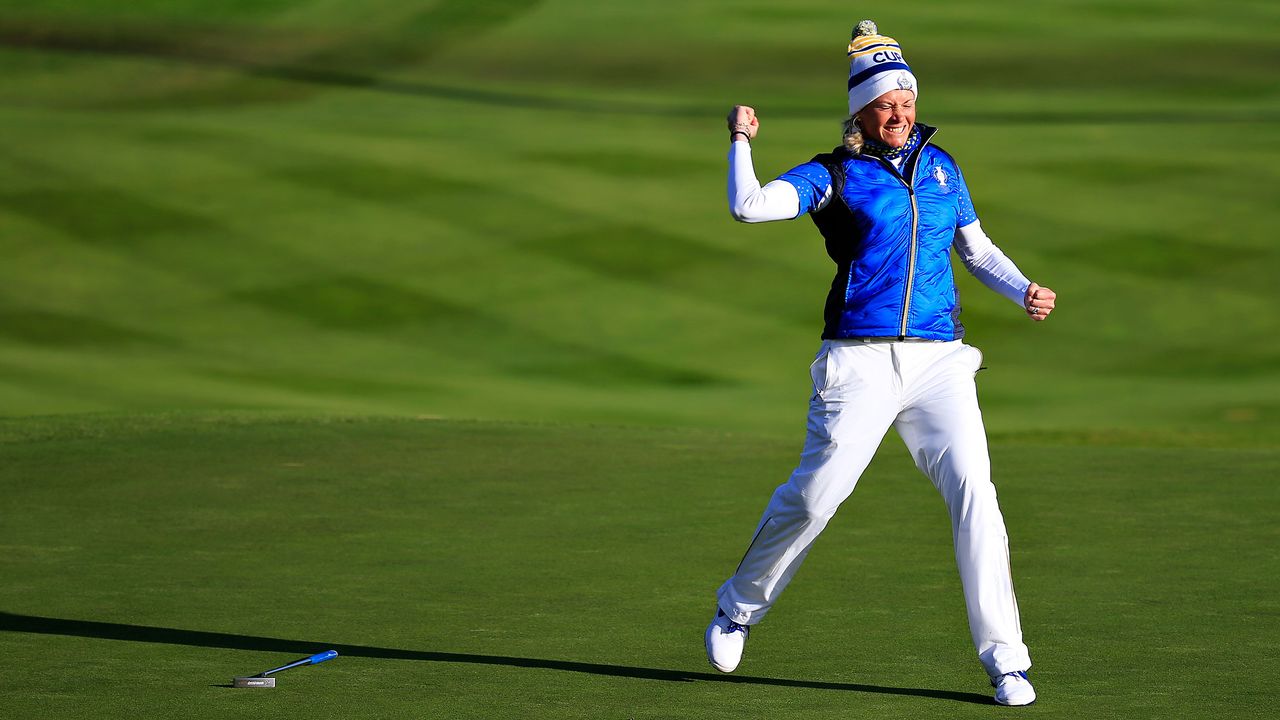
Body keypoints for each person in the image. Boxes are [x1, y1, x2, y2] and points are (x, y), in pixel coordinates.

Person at [704, 20, 1056, 707]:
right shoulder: (834, 173)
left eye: (907, 100)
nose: (899, 113)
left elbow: (976, 250)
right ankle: (737, 608)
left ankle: (1006, 661)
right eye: (885, 104)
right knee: (815, 497)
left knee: (975, 497)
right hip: (857, 363)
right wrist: (741, 141)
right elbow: (748, 209)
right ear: (861, 112)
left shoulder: (944, 166)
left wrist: (1023, 291)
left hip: (939, 362)